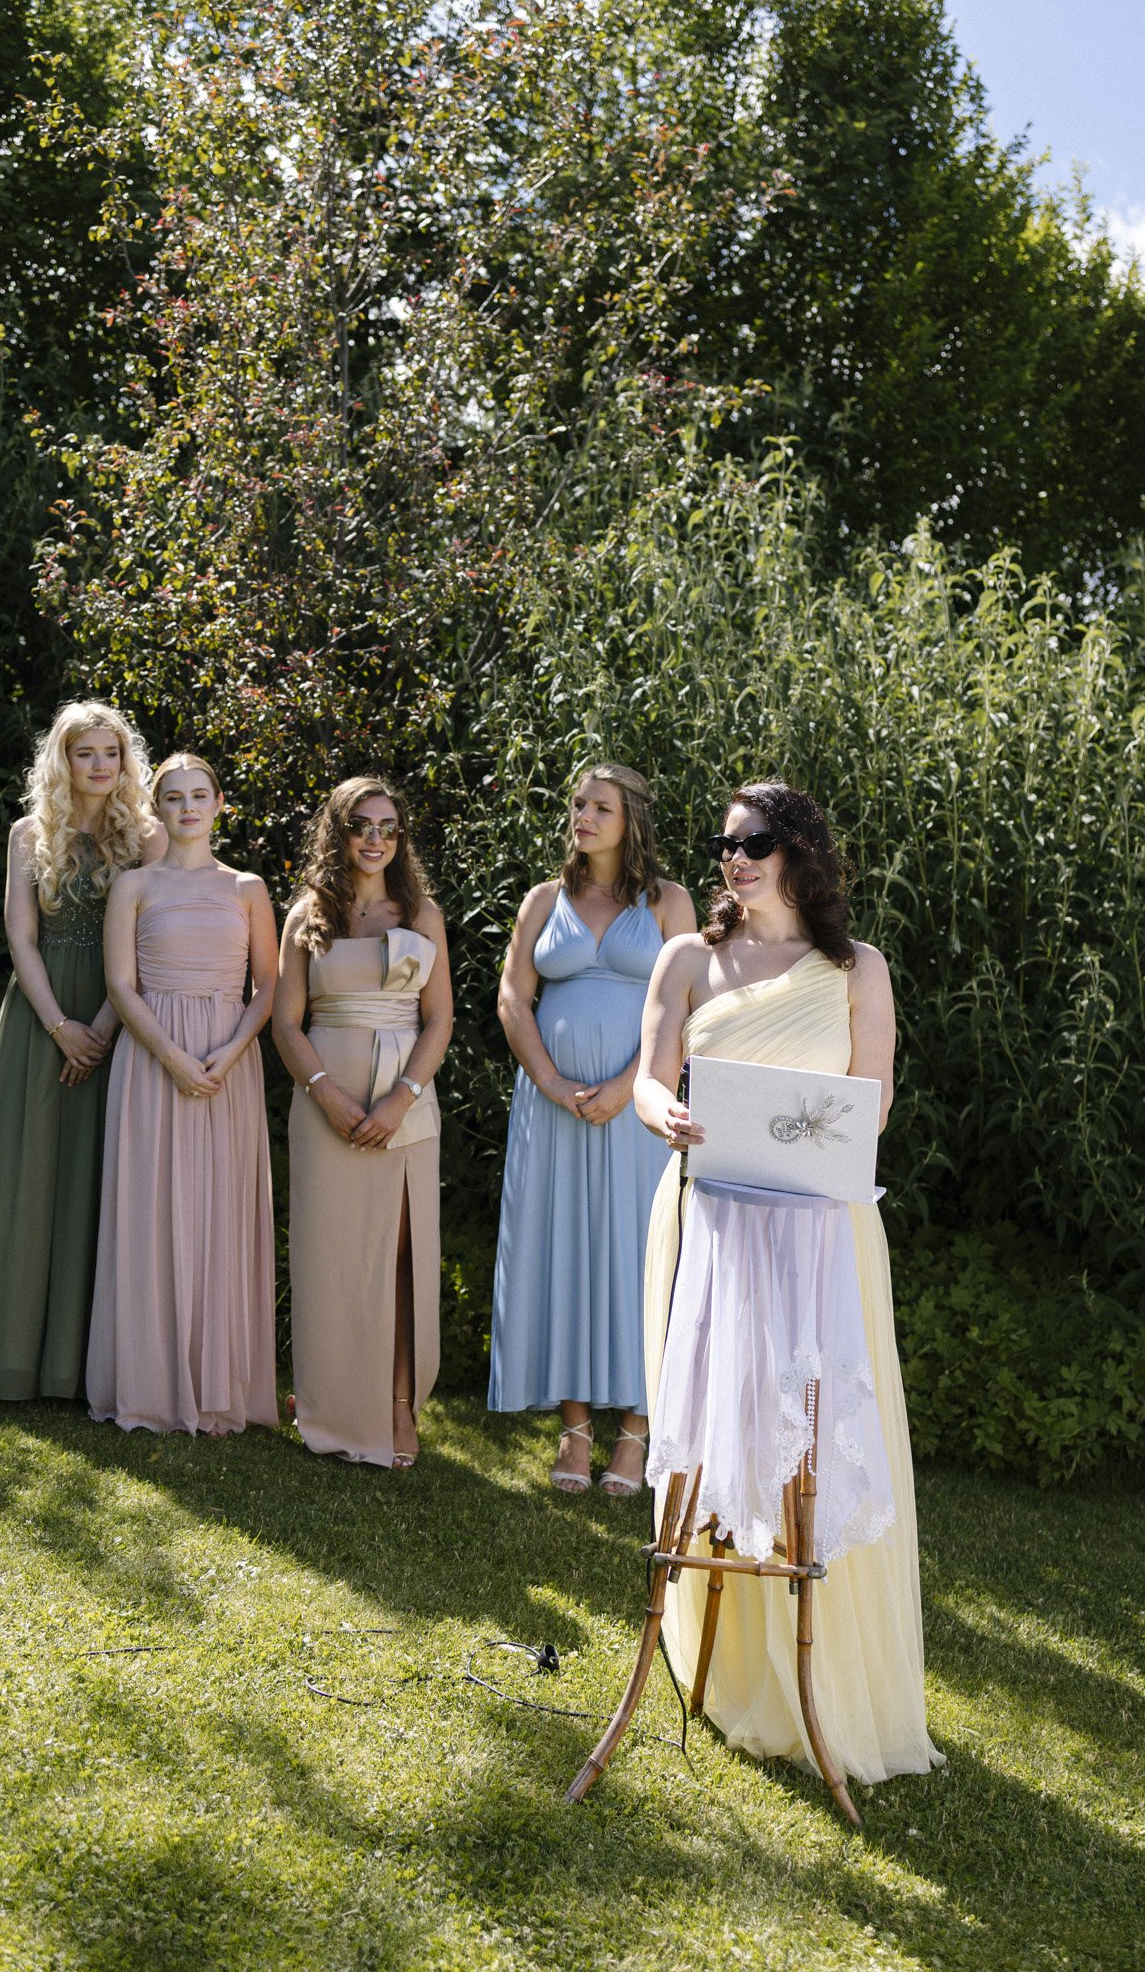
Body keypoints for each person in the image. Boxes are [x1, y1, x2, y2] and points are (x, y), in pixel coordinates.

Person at [633, 778, 942, 1782]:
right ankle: (721, 1659)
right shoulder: (689, 957)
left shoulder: (855, 967)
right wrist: (660, 1112)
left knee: (810, 1444)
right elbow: (647, 1076)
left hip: (816, 1231)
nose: (734, 856)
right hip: (711, 1221)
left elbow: (874, 1099)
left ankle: (821, 1675)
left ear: (798, 847)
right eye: (724, 841)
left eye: (754, 839)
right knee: (717, 1434)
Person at [0, 701, 164, 1401]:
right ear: (61, 761)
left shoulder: (148, 839)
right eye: (84, 753)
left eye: (111, 753)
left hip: (119, 1014)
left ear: (126, 763)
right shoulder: (28, 833)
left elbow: (152, 945)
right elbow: (20, 938)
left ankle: (74, 1370)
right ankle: (0, 1359)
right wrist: (62, 1027)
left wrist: (102, 1024)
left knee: (97, 1179)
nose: (99, 765)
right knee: (23, 1179)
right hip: (39, 1018)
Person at [487, 764, 695, 1493]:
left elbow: (688, 1003)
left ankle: (635, 1435)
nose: (582, 815)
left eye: (599, 806)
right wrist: (548, 1079)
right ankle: (574, 1434)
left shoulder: (669, 902)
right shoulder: (544, 901)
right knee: (563, 1252)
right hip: (551, 1109)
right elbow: (514, 996)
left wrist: (629, 1084)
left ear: (629, 818)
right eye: (576, 803)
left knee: (637, 1253)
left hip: (637, 1108)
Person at [86, 753, 279, 1436]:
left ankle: (218, 1386)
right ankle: (148, 1384)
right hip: (151, 1058)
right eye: (173, 797)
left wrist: (229, 1052)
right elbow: (120, 986)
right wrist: (170, 1057)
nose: (188, 807)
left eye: (200, 795)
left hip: (228, 1062)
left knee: (218, 1212)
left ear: (220, 803)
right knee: (150, 1209)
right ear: (159, 808)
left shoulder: (248, 888)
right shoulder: (133, 885)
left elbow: (269, 988)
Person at [273, 777, 452, 1470]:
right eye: (361, 825)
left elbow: (438, 1019)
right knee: (329, 1260)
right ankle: (331, 1408)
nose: (375, 839)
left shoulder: (420, 912)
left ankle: (398, 1407)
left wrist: (400, 1098)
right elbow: (287, 1023)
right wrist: (326, 1095)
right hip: (324, 1105)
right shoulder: (306, 915)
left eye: (388, 827)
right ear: (338, 832)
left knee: (399, 1260)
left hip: (404, 1107)